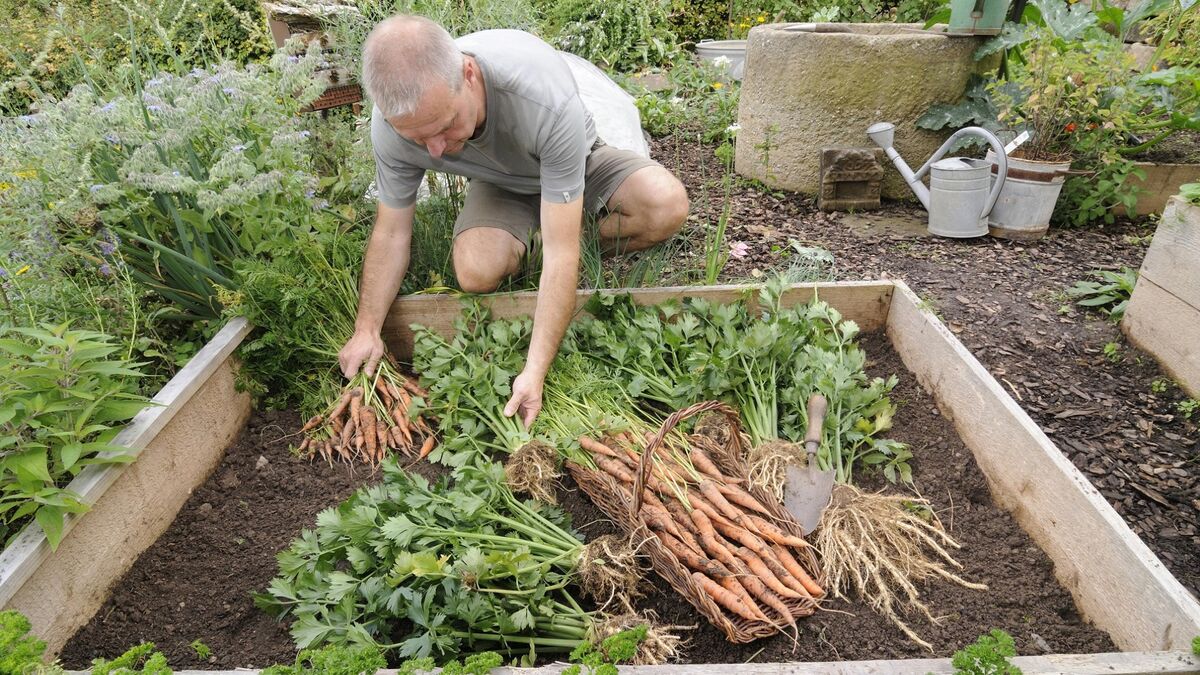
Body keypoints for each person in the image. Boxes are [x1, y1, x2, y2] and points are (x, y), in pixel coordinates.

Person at [337, 15, 690, 427]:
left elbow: (562, 254)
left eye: (445, 126)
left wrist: (534, 372)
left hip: (574, 164)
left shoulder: (539, 95)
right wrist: (367, 328)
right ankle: (534, 234)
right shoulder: (393, 127)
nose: (435, 152)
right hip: (500, 183)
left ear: (467, 75)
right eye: (419, 139)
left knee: (664, 205)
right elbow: (392, 231)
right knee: (475, 272)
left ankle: (550, 229)